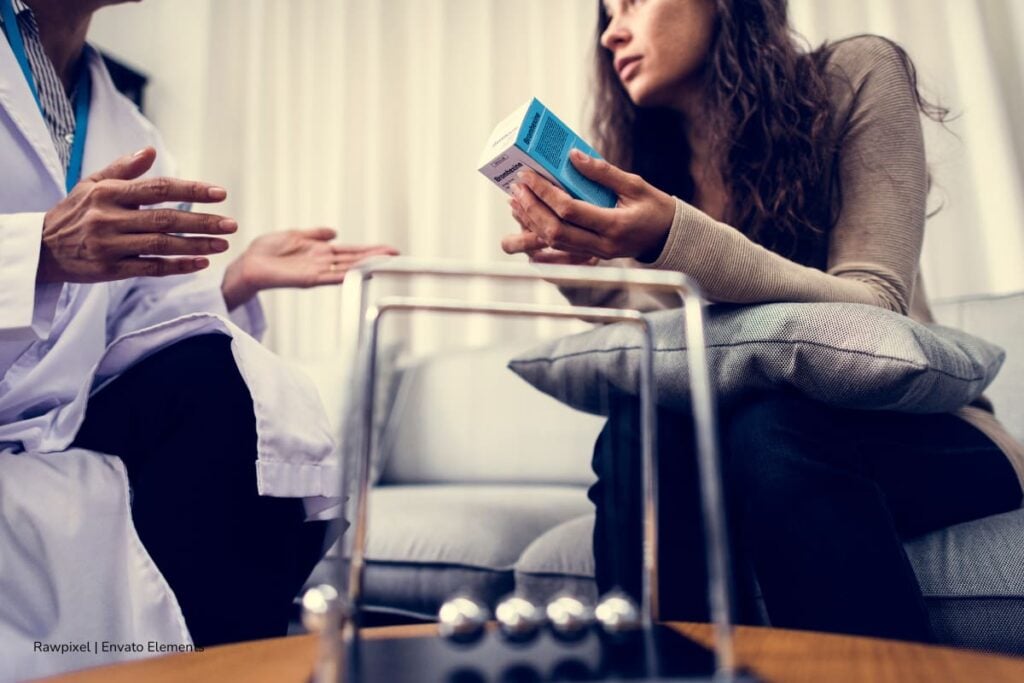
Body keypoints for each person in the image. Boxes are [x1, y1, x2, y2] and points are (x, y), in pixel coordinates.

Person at [502, 0, 1024, 642]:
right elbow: (696, 339)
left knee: (769, 429)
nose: (611, 30)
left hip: (926, 433)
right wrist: (592, 276)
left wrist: (674, 235)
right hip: (740, 442)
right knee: (640, 428)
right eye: (606, 13)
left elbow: (875, 304)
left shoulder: (857, 75)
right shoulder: (653, 167)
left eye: (632, 2)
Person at [0, 0, 396, 678]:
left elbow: (137, 320)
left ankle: (235, 661)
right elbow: (62, 271)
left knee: (238, 389)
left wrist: (237, 279)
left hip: (51, 429)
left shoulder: (127, 127)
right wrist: (35, 251)